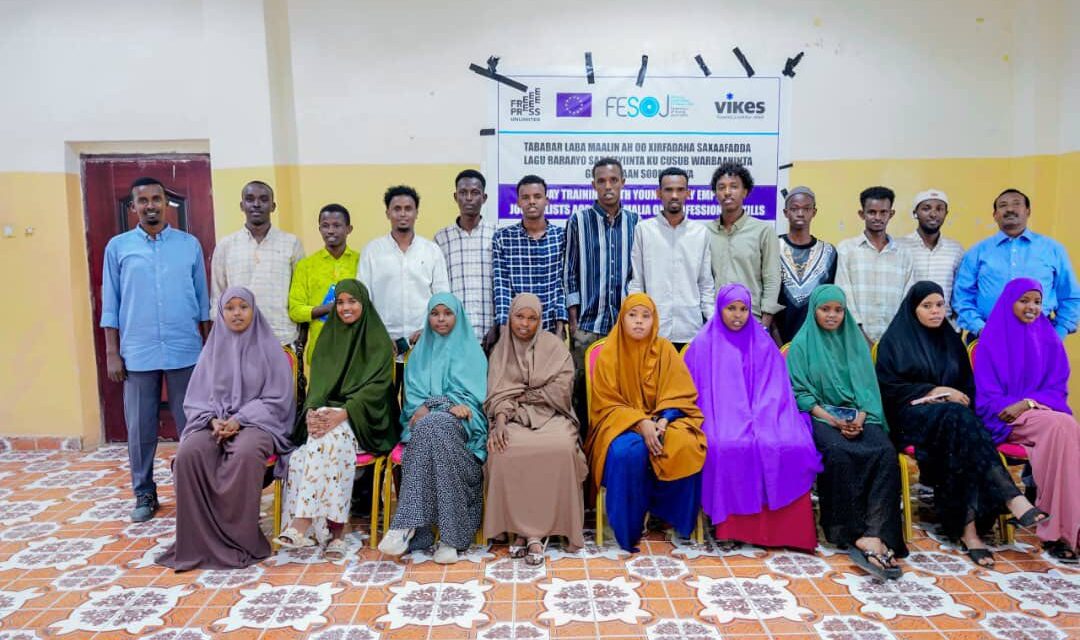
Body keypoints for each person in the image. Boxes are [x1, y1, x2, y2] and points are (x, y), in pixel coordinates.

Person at [875, 281, 1045, 567]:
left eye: (940, 305)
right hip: (911, 419)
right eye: (927, 306)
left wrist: (956, 398)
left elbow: (968, 387)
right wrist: (935, 393)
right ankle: (1010, 497)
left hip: (954, 422)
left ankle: (969, 531)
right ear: (913, 308)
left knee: (961, 431)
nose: (935, 312)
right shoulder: (895, 341)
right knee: (960, 421)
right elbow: (889, 390)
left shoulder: (951, 341)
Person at [157, 287, 295, 570]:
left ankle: (239, 540)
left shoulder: (271, 350)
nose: (237, 313)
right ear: (221, 313)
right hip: (214, 422)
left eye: (243, 307)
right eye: (230, 308)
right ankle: (198, 540)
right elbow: (196, 398)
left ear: (253, 310)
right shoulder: (212, 350)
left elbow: (278, 398)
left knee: (245, 453)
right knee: (189, 454)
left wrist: (240, 419)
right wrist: (211, 420)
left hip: (258, 423)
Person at [100, 176, 211, 522]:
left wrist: (209, 349)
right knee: (140, 427)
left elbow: (204, 302)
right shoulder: (118, 248)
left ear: (166, 203)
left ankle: (195, 491)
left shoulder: (188, 245)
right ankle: (144, 493)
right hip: (138, 351)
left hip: (185, 347)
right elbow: (110, 304)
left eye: (157, 199)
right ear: (133, 207)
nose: (151, 205)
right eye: (143, 200)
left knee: (191, 424)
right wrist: (112, 353)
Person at [685, 284, 821, 551]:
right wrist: (735, 418)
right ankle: (731, 529)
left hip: (767, 413)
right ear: (719, 309)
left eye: (744, 309)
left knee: (788, 444)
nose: (738, 315)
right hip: (718, 418)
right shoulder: (703, 344)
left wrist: (760, 416)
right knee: (727, 445)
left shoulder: (762, 342)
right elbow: (694, 394)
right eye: (731, 308)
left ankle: (788, 533)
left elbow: (775, 387)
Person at [787, 285, 907, 579]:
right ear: (814, 310)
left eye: (838, 310)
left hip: (861, 415)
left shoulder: (855, 343)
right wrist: (832, 419)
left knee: (884, 452)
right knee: (838, 452)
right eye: (825, 309)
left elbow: (868, 389)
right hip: (821, 416)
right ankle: (848, 531)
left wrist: (862, 417)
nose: (832, 315)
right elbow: (800, 393)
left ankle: (876, 531)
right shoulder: (801, 345)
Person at [276, 279, 398, 560]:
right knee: (308, 452)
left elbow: (377, 389)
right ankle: (335, 534)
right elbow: (317, 386)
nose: (345, 308)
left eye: (352, 301)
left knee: (332, 440)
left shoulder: (377, 339)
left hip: (366, 419)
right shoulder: (327, 338)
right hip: (328, 418)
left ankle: (303, 523)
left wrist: (344, 413)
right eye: (340, 302)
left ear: (363, 303)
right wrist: (311, 413)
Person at [585, 293, 707, 552]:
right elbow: (607, 404)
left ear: (654, 320)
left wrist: (663, 419)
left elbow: (680, 393)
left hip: (664, 419)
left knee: (686, 443)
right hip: (621, 423)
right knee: (628, 451)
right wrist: (640, 422)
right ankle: (629, 527)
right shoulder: (609, 353)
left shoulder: (664, 349)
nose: (639, 322)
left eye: (645, 316)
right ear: (622, 318)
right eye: (632, 315)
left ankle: (673, 519)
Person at [974, 277, 1080, 563]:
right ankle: (1062, 532)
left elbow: (1058, 388)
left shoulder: (1048, 339)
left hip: (1040, 414)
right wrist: (1018, 408)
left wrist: (1028, 403)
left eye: (1037, 302)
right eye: (1024, 301)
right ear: (1010, 302)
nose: (1031, 307)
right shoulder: (990, 341)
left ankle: (1064, 528)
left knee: (1065, 432)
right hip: (1005, 417)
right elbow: (987, 396)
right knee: (1064, 428)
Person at [379, 293, 488, 564]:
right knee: (432, 428)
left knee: (433, 424)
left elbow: (474, 401)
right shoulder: (418, 355)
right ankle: (452, 539)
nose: (441, 319)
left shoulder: (472, 351)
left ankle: (406, 525)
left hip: (464, 429)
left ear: (457, 316)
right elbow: (413, 409)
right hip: (430, 429)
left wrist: (437, 404)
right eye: (435, 313)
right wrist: (445, 404)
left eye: (447, 313)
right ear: (428, 317)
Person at [483, 294, 587, 564]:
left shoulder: (554, 346)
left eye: (532, 318)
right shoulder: (501, 351)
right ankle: (522, 531)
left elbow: (562, 389)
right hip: (513, 419)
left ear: (540, 321)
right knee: (504, 449)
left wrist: (524, 396)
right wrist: (501, 423)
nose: (525, 324)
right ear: (510, 317)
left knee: (562, 448)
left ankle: (535, 533)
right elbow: (497, 396)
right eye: (520, 317)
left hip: (553, 416)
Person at [565, 158, 639, 430]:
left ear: (623, 183)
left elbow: (638, 273)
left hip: (626, 328)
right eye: (601, 181)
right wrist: (574, 324)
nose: (608, 186)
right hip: (587, 327)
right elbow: (569, 273)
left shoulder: (635, 222)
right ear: (593, 185)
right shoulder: (579, 221)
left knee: (624, 392)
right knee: (583, 394)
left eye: (613, 180)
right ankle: (585, 458)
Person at [954, 189, 1080, 340]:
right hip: (987, 337)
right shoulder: (977, 252)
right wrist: (981, 329)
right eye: (1003, 205)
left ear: (1028, 211)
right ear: (995, 215)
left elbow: (1070, 296)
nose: (1010, 209)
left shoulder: (1052, 249)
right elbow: (961, 296)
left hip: (1038, 338)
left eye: (1016, 204)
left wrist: (1057, 334)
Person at [359, 185, 450, 370]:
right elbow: (363, 299)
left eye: (408, 209)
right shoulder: (372, 251)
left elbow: (442, 298)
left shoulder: (431, 250)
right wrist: (378, 335)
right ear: (387, 213)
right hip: (382, 345)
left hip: (423, 344)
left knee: (419, 399)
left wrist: (428, 331)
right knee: (384, 399)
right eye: (397, 209)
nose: (402, 214)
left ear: (416, 213)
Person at [627, 167, 714, 350]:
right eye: (668, 190)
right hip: (653, 330)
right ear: (659, 193)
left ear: (688, 193)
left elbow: (706, 284)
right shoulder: (644, 230)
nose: (674, 195)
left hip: (690, 330)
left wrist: (713, 324)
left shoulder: (700, 233)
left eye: (680, 190)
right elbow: (637, 282)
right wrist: (636, 321)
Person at [210, 181, 305, 347]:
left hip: (282, 337)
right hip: (238, 340)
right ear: (242, 205)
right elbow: (218, 296)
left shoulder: (291, 243)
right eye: (250, 199)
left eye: (263, 199)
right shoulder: (226, 245)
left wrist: (300, 341)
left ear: (273, 206)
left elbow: (301, 295)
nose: (256, 204)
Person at [705, 163, 782, 327]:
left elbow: (772, 279)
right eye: (721, 187)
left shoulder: (763, 231)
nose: (727, 192)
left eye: (734, 186)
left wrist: (764, 325)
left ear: (745, 192)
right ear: (715, 194)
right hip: (715, 319)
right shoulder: (705, 232)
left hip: (751, 318)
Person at [835, 186, 915, 344]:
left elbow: (908, 299)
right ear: (861, 214)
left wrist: (894, 339)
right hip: (854, 338)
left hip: (895, 340)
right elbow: (844, 296)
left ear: (891, 214)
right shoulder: (847, 249)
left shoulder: (904, 253)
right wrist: (861, 337)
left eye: (883, 212)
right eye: (872, 212)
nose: (877, 217)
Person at [492, 175, 567, 335]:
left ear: (547, 200)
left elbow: (562, 285)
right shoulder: (503, 238)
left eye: (537, 196)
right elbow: (502, 287)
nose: (531, 201)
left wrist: (560, 326)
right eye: (525, 197)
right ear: (518, 202)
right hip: (516, 328)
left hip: (549, 328)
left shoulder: (561, 237)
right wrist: (504, 328)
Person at [288, 204, 359, 363]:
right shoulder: (306, 266)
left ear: (349, 229)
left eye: (337, 225)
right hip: (321, 352)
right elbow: (295, 310)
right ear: (319, 229)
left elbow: (369, 305)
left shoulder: (361, 262)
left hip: (356, 351)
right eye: (325, 226)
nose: (331, 231)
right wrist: (328, 309)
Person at [434, 170, 496, 347]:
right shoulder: (441, 239)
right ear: (455, 196)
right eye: (463, 193)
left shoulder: (498, 235)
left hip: (491, 334)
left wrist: (498, 325)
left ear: (484, 198)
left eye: (475, 193)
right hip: (454, 335)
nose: (469, 198)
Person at [775, 186, 837, 344]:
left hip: (816, 340)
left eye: (806, 208)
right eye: (794, 208)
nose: (800, 213)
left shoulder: (828, 253)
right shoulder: (772, 247)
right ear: (785, 212)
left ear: (814, 212)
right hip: (776, 338)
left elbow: (830, 300)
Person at [895, 190, 964, 326]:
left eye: (939, 209)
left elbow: (960, 291)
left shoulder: (956, 250)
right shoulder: (899, 247)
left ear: (946, 213)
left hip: (944, 326)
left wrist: (955, 325)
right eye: (926, 208)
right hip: (908, 326)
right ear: (915, 213)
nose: (933, 214)